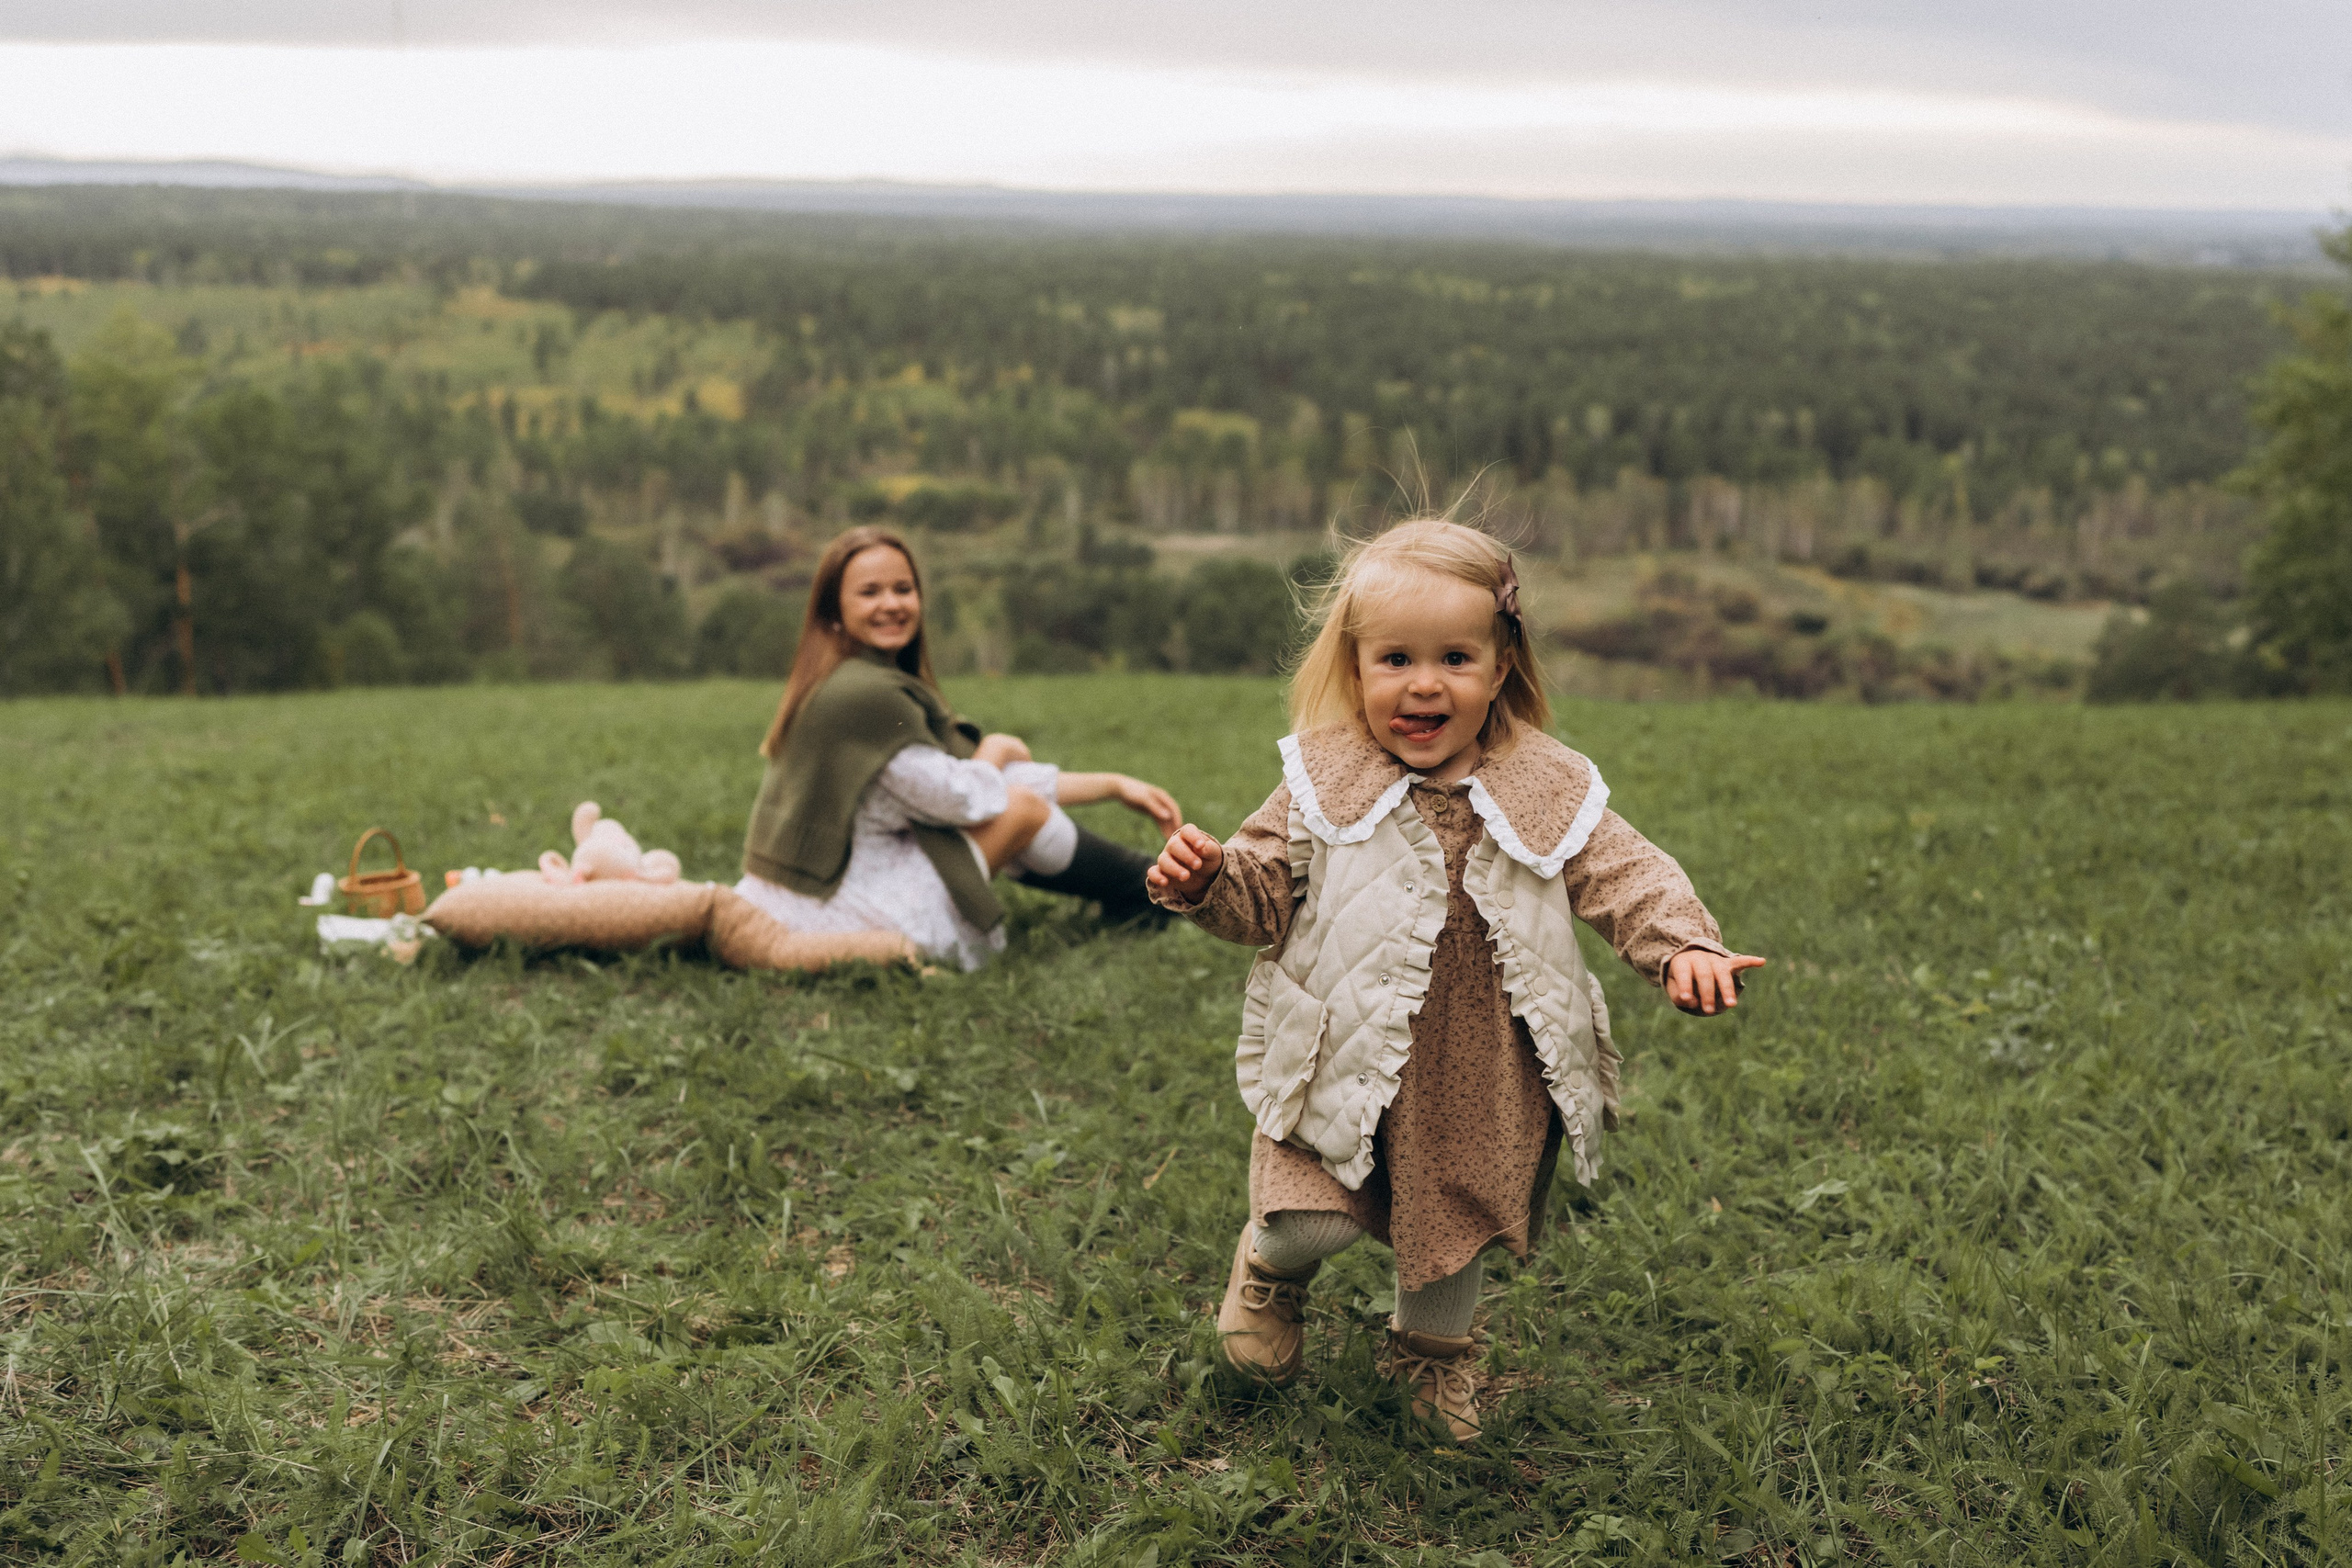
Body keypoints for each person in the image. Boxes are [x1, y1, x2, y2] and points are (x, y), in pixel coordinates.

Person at [1147, 519, 1764, 1442]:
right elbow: (1261, 893)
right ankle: (1270, 1273)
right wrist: (1208, 881)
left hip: (1481, 1062)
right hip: (1342, 1041)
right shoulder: (1325, 778)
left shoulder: (1545, 783)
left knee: (1455, 1222)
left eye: (1454, 658)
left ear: (1501, 665)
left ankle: (1431, 1355)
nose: (1424, 683)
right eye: (1395, 658)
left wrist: (1683, 946)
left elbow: (1626, 873)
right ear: (1356, 667)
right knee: (1314, 1217)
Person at [739, 525, 1179, 971]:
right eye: (870, 592)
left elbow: (969, 777)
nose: (891, 604)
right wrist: (997, 747)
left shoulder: (846, 678)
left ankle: (1140, 887)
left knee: (1012, 801)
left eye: (903, 589)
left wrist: (1114, 786)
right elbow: (962, 797)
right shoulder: (866, 693)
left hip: (807, 895)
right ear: (834, 609)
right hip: (849, 912)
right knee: (1021, 809)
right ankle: (1144, 891)